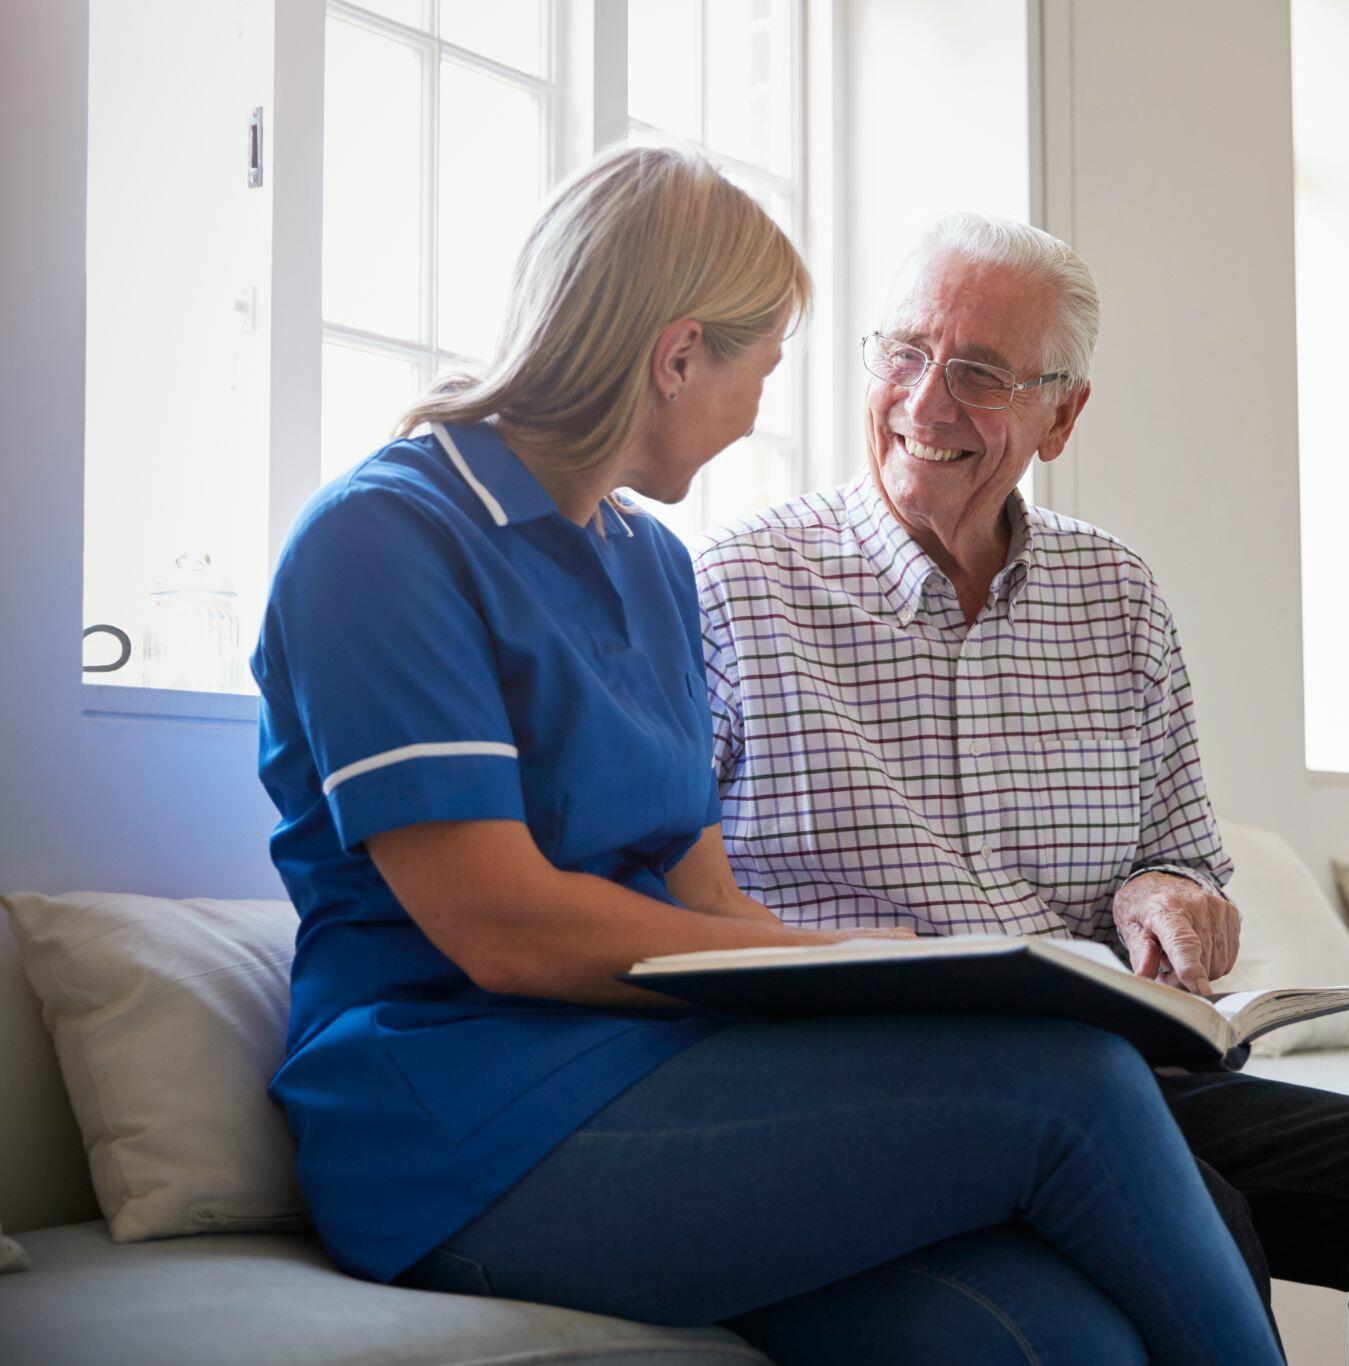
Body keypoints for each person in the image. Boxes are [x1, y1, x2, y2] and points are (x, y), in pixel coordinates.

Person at [251, 145, 1282, 1366]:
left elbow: (706, 903)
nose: (759, 414)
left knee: (1056, 1343)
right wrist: (863, 953)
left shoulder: (647, 564)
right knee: (1075, 1086)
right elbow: (506, 929)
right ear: (679, 355)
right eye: (764, 366)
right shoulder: (385, 538)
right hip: (456, 1122)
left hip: (658, 1078)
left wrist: (919, 973)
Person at [694, 212, 1349, 1364]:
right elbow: (666, 888)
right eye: (901, 350)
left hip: (1113, 1072)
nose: (925, 402)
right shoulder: (739, 585)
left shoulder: (1117, 597)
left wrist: (1166, 897)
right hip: (896, 1091)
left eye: (981, 373)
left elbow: (1181, 852)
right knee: (1215, 1223)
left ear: (1063, 412)